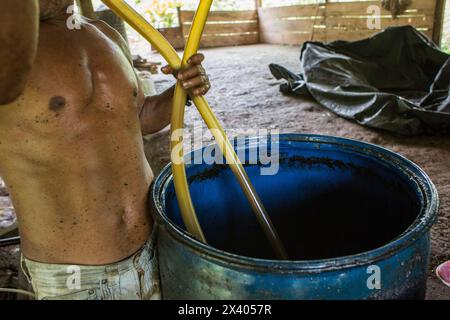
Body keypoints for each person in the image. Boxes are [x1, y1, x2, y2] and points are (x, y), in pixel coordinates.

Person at [0, 0, 210, 300]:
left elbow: (140, 117)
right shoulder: (9, 57)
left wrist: (182, 91)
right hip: (76, 277)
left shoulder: (104, 33)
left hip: (154, 248)